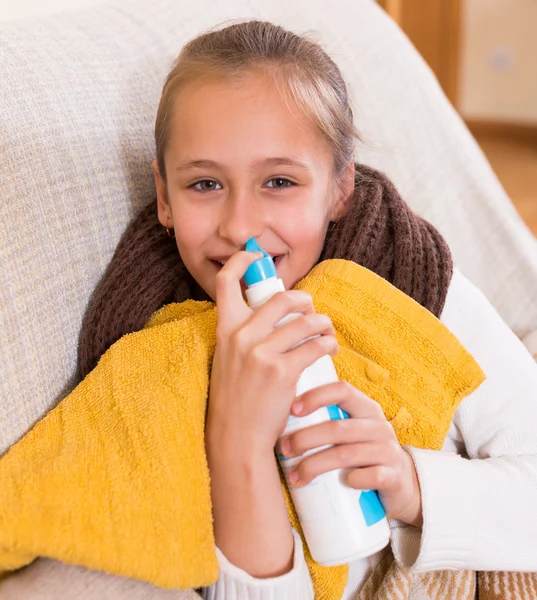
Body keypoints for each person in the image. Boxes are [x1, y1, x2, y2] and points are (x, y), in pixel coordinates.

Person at [78, 20, 537, 599]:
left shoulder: (407, 282)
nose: (240, 226)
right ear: (164, 196)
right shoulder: (142, 344)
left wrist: (412, 484)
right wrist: (237, 440)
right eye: (204, 185)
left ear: (339, 188)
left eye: (278, 180)